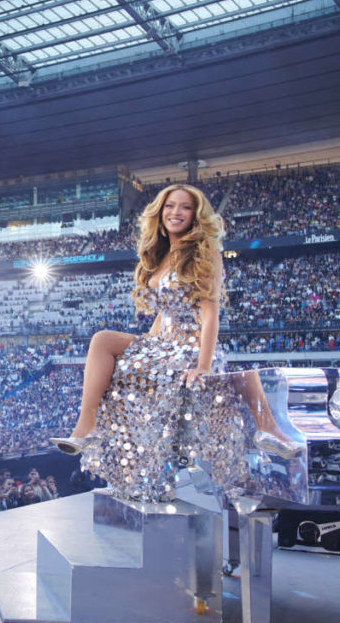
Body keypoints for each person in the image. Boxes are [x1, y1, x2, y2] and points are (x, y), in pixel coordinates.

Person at [48, 184, 241, 503]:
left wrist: (203, 366)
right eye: (169, 206)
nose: (175, 212)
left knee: (106, 347)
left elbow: (209, 313)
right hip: (162, 343)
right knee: (104, 346)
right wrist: (145, 343)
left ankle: (89, 430)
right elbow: (164, 314)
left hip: (188, 350)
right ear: (159, 212)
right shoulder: (160, 254)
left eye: (184, 207)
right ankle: (102, 444)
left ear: (196, 216)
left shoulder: (204, 252)